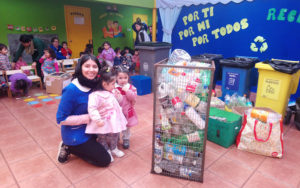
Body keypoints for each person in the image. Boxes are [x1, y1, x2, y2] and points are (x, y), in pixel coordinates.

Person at [56, 54, 111, 166]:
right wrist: (89, 118)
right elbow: (61, 119)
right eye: (87, 66)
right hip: (75, 133)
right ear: (80, 68)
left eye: (94, 66)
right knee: (105, 160)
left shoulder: (95, 84)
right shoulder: (71, 89)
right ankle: (68, 147)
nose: (91, 70)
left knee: (110, 134)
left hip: (91, 128)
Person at [85, 66, 127, 162]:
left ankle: (114, 148)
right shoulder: (95, 95)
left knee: (115, 134)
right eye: (113, 83)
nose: (115, 85)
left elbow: (118, 102)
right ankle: (106, 150)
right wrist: (98, 119)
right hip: (103, 120)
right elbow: (92, 108)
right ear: (104, 84)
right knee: (102, 136)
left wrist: (118, 96)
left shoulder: (111, 91)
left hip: (114, 119)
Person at [115, 66, 138, 149]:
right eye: (120, 78)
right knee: (116, 125)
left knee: (127, 126)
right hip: (117, 112)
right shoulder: (114, 87)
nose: (123, 80)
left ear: (128, 77)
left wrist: (127, 91)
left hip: (127, 111)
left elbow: (133, 98)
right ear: (116, 78)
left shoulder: (131, 88)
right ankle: (116, 138)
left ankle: (126, 138)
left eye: (125, 77)